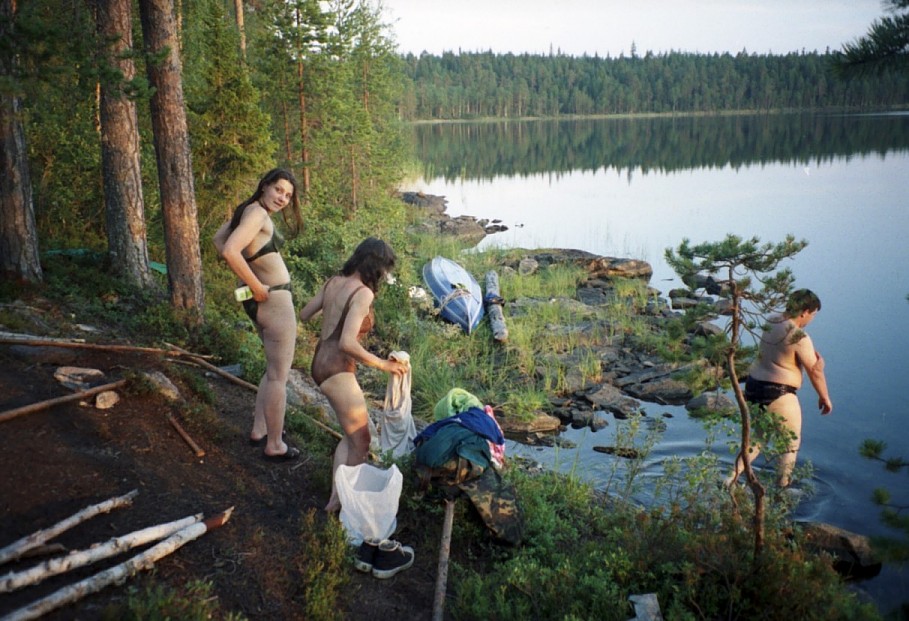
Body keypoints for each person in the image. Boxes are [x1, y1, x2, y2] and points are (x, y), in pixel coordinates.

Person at [299, 238, 408, 512]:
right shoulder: (363, 293)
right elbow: (347, 342)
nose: (384, 275)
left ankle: (335, 500)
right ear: (376, 266)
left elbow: (304, 314)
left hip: (319, 363)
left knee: (349, 436)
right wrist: (383, 365)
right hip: (337, 368)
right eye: (384, 269)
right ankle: (349, 508)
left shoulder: (333, 282)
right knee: (361, 441)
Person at [213, 168, 304, 461]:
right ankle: (275, 444)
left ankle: (260, 429)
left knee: (272, 369)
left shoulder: (247, 210)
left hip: (263, 299)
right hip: (273, 300)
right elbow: (229, 250)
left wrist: (250, 281)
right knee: (279, 376)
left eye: (288, 195)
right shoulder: (257, 214)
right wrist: (255, 285)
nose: (282, 198)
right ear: (265, 186)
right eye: (278, 190)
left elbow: (218, 239)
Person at [726, 289, 834, 488]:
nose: (812, 319)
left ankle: (729, 479)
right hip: (779, 393)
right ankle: (782, 488)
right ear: (804, 312)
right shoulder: (799, 337)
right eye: (813, 314)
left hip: (753, 386)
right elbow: (815, 371)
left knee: (757, 439)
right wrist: (824, 397)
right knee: (789, 444)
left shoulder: (771, 320)